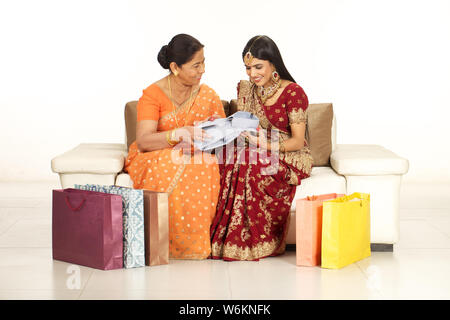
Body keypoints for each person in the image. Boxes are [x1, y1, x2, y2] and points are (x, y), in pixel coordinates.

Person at [210, 35, 313, 261]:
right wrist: (221, 128)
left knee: (251, 162)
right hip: (254, 146)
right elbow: (243, 125)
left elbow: (297, 141)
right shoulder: (248, 90)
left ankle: (258, 242)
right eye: (247, 68)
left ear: (273, 64)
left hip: (290, 153)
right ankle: (223, 241)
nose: (252, 73)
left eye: (258, 67)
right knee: (231, 158)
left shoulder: (293, 92)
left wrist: (265, 145)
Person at [124, 34, 226, 259]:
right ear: (175, 67)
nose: (203, 70)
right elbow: (144, 140)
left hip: (196, 152)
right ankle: (163, 243)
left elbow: (222, 135)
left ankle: (195, 245)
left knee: (205, 164)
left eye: (203, 62)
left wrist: (205, 142)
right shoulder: (153, 94)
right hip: (154, 152)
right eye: (196, 65)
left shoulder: (207, 95)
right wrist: (177, 135)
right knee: (169, 162)